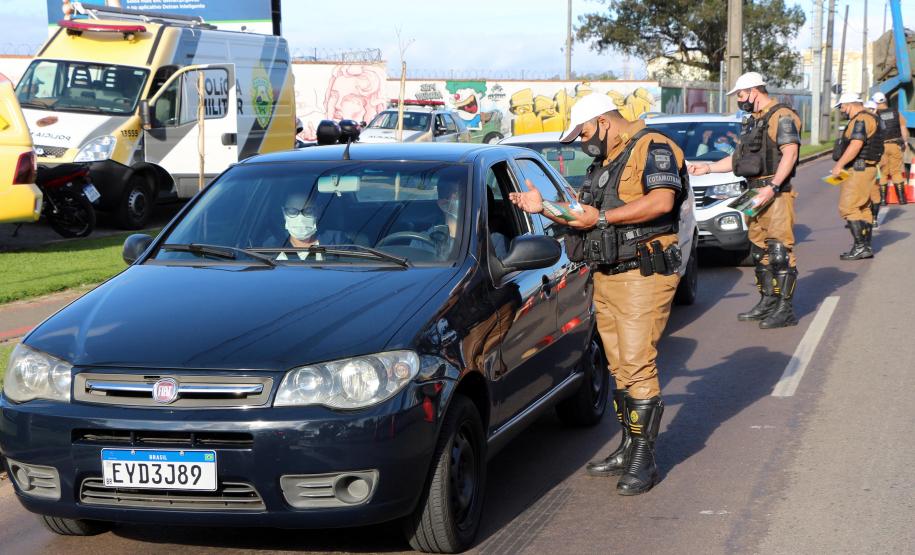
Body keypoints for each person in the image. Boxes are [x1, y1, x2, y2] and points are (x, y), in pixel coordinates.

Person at [509, 93, 688, 495]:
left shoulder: (653, 147)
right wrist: (544, 208)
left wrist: (604, 217)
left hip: (644, 273)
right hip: (607, 274)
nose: (583, 141)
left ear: (604, 122)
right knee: (620, 365)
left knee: (638, 362)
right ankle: (628, 446)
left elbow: (662, 201)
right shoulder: (603, 163)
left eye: (585, 132)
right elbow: (583, 216)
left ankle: (645, 458)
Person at [689, 72, 802, 329]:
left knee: (779, 251)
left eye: (740, 95)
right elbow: (738, 159)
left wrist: (773, 188)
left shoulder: (781, 116)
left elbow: (791, 152)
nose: (739, 100)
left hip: (774, 193)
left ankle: (785, 309)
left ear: (753, 91)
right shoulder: (753, 121)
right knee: (759, 249)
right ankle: (768, 301)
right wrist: (706, 169)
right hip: (753, 193)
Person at [831, 92, 884, 261]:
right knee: (863, 207)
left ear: (850, 104)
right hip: (867, 169)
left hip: (858, 169)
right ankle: (865, 246)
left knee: (848, 207)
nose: (843, 111)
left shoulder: (861, 119)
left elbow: (856, 144)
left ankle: (860, 246)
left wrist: (839, 165)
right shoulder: (872, 117)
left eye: (842, 107)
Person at [275, 191, 353, 260]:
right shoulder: (271, 244)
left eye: (308, 211)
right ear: (284, 213)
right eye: (292, 211)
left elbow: (354, 267)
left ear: (318, 211)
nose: (300, 218)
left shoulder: (337, 241)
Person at [872, 91, 911, 206]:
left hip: (881, 147)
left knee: (883, 173)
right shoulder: (896, 112)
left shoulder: (875, 116)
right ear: (885, 100)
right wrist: (905, 142)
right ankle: (902, 200)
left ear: (875, 102)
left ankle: (883, 200)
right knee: (896, 172)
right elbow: (903, 128)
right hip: (895, 145)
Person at [863, 100, 883, 227]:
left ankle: (867, 218)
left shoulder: (864, 121)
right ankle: (873, 218)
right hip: (875, 161)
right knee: (874, 190)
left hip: (865, 161)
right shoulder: (880, 122)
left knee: (863, 191)